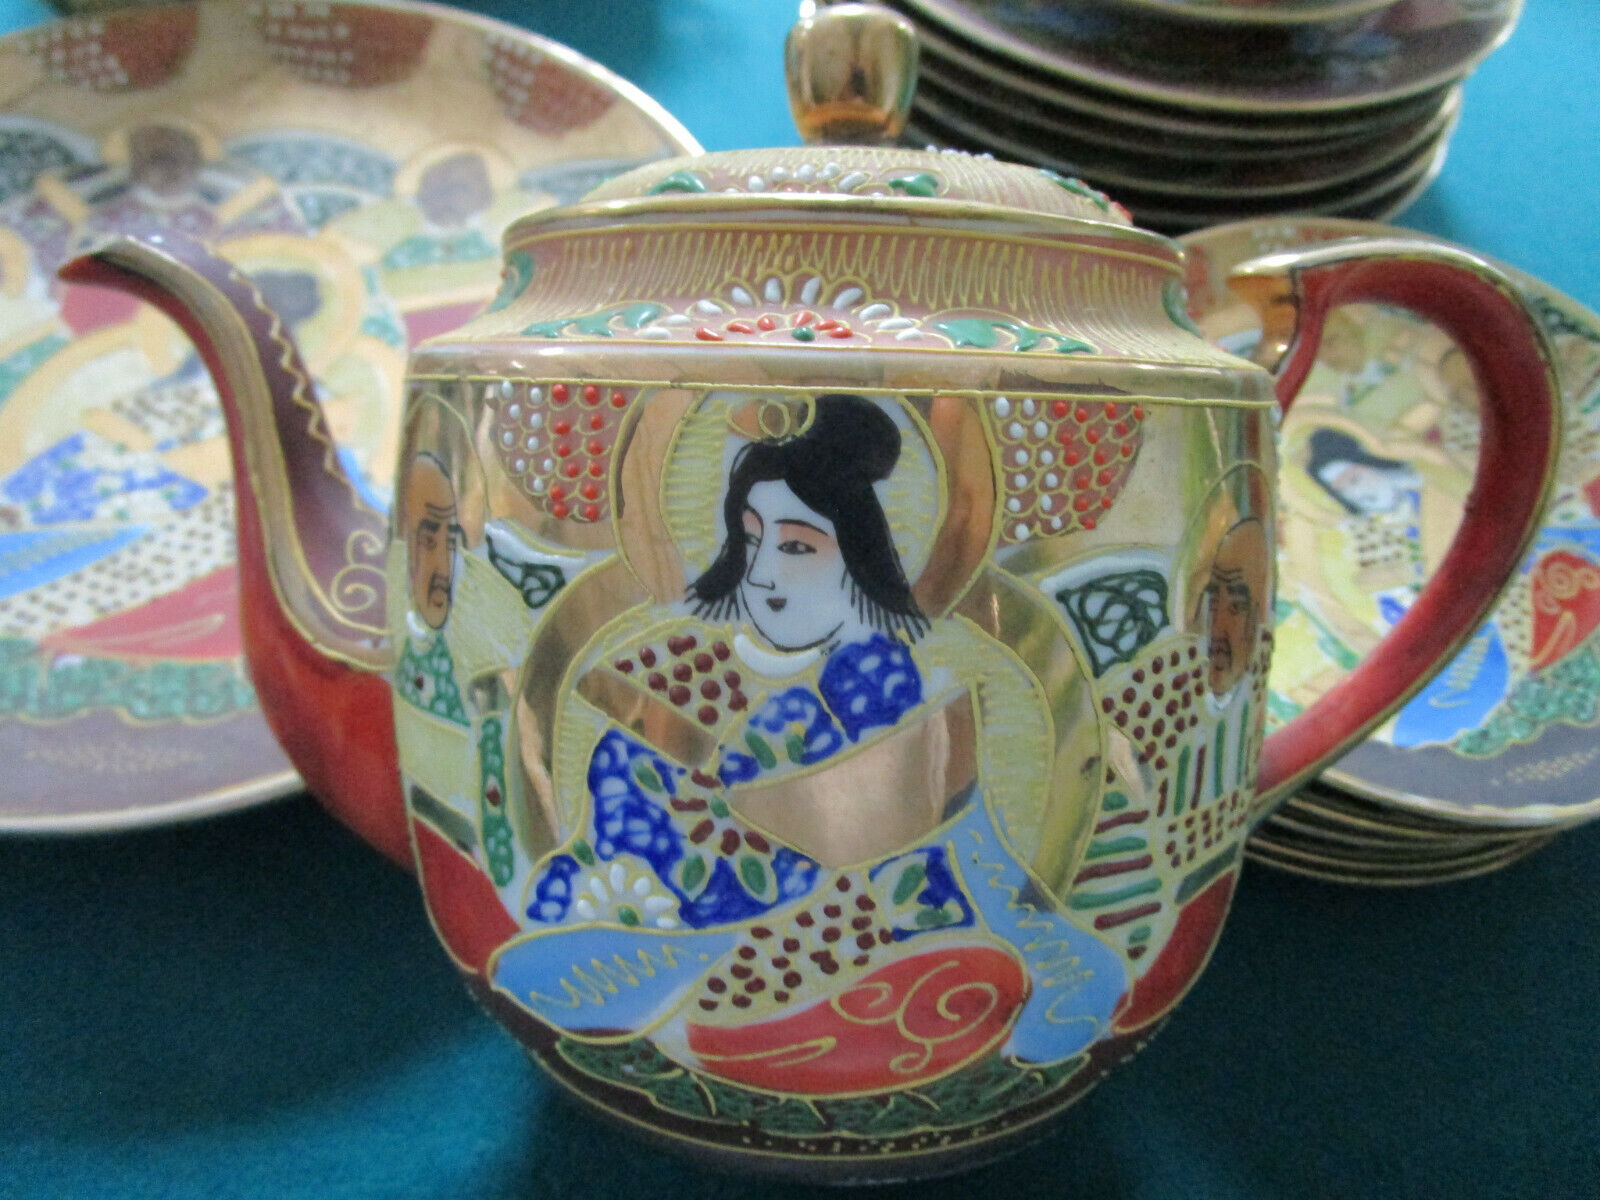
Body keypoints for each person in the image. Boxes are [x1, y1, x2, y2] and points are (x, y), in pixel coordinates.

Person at [491, 393, 1128, 1097]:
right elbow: (604, 861)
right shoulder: (654, 671)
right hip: (694, 953)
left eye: (796, 546)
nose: (763, 572)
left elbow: (983, 862)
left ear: (866, 547)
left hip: (888, 970)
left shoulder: (939, 686)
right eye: (749, 538)